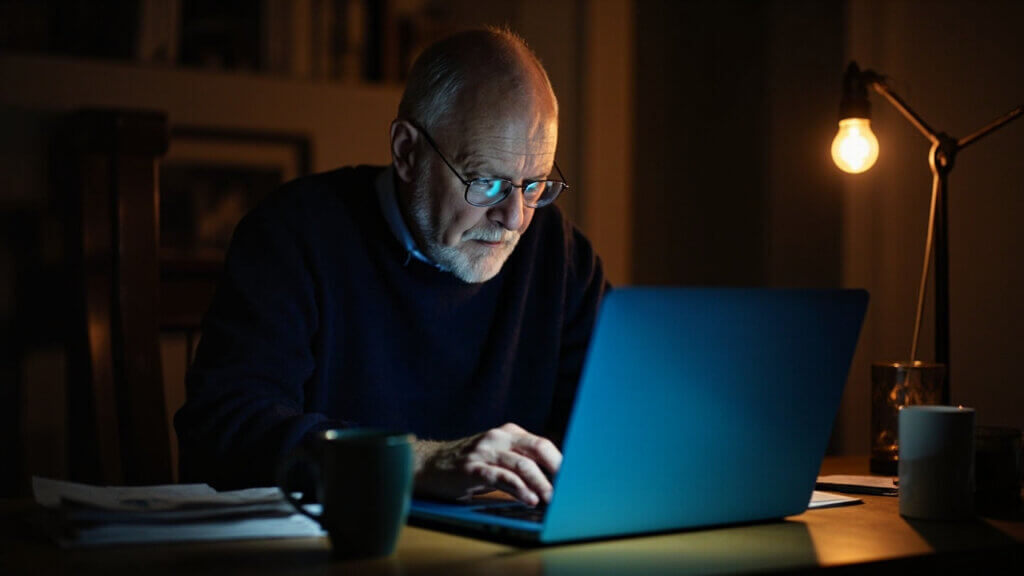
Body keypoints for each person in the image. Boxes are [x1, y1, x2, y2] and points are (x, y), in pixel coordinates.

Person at [174, 27, 609, 508]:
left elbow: (616, 429)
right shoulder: (293, 234)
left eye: (535, 185)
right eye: (486, 182)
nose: (515, 218)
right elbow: (225, 430)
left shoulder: (562, 257)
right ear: (406, 151)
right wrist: (418, 463)